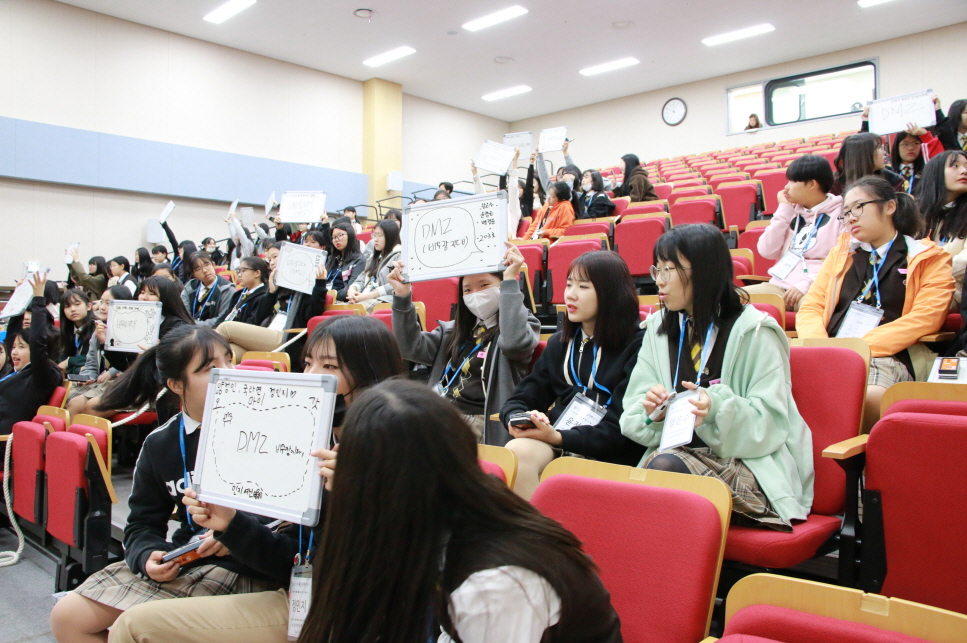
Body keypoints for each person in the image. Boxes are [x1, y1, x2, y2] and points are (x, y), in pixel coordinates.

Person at [101, 316, 408, 643]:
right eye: (307, 363)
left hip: (348, 608)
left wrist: (356, 494)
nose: (312, 377)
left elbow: (379, 560)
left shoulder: (391, 446)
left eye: (329, 366)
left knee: (133, 627)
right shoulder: (311, 440)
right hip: (295, 585)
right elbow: (294, 552)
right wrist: (230, 525)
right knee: (74, 617)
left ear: (371, 374)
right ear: (176, 385)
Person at [49, 327, 277, 643]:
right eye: (211, 369)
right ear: (176, 385)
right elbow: (141, 525)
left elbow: (289, 521)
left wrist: (235, 531)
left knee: (140, 628)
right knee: (68, 616)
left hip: (249, 564)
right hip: (187, 558)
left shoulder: (272, 429)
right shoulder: (161, 443)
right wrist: (147, 556)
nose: (229, 374)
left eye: (230, 361)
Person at [620, 224, 814, 531]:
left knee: (662, 473)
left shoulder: (755, 331)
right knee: (647, 477)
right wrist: (654, 412)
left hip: (748, 466)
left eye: (670, 269)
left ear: (705, 271)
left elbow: (773, 421)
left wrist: (717, 409)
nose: (660, 280)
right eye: (658, 269)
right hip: (676, 458)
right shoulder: (659, 328)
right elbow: (632, 416)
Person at [797, 177, 954, 431]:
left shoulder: (927, 257)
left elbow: (927, 317)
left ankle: (852, 466)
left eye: (858, 207)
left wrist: (856, 349)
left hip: (886, 355)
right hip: (830, 353)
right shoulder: (842, 253)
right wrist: (824, 349)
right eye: (845, 212)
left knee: (865, 398)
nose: (850, 218)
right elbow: (812, 307)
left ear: (889, 207)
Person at [500, 251, 646, 500]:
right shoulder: (560, 343)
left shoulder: (639, 345)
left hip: (613, 451)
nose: (570, 294)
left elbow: (622, 429)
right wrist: (521, 419)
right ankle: (537, 536)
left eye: (583, 286)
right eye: (568, 284)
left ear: (611, 292)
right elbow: (520, 399)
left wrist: (558, 436)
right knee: (516, 452)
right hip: (563, 440)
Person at [389, 243, 540, 444]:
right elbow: (409, 347)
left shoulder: (520, 326)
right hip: (441, 410)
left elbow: (513, 344)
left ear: (502, 286)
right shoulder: (453, 330)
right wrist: (402, 297)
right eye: (467, 289)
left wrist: (511, 280)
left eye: (484, 285)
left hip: (480, 418)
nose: (475, 294)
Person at [78, 277, 195, 420]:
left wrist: (155, 354)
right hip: (134, 383)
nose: (144, 298)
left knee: (92, 408)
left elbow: (178, 369)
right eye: (142, 292)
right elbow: (124, 365)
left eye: (151, 294)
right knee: (78, 404)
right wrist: (105, 343)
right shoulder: (137, 322)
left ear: (166, 297)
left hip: (157, 389)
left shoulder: (178, 327)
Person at [744, 155, 845, 311]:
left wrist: (806, 284)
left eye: (792, 181)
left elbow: (840, 260)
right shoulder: (790, 212)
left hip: (815, 286)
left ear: (812, 184)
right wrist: (783, 211)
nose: (786, 187)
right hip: (778, 286)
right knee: (732, 298)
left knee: (812, 308)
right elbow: (767, 251)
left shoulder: (841, 214)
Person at [0, 274, 62, 435]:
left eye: (21, 347)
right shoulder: (15, 373)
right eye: (14, 347)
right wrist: (18, 297)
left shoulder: (41, 376)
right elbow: (12, 333)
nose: (14, 352)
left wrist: (38, 299)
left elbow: (37, 343)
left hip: (5, 441)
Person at [64, 285, 136, 414]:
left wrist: (113, 372)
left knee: (78, 405)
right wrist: (87, 377)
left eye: (108, 303)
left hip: (124, 384)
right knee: (64, 397)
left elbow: (132, 362)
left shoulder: (132, 332)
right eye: (101, 302)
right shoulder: (99, 330)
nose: (102, 307)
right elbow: (91, 364)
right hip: (100, 383)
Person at [916, 151, 967, 308]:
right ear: (936, 173)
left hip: (953, 291)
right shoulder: (916, 214)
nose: (964, 171)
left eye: (966, 166)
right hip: (916, 288)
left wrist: (927, 276)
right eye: (955, 165)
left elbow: (964, 262)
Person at [347, 219, 402, 312]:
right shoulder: (374, 257)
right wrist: (352, 289)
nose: (375, 239)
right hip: (366, 298)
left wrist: (369, 296)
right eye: (374, 235)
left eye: (380, 235)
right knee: (340, 311)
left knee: (353, 313)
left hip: (385, 300)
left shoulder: (399, 256)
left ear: (391, 236)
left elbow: (396, 285)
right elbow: (362, 278)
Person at [832, 132, 906, 195]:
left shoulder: (894, 181)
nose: (884, 153)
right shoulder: (834, 184)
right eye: (879, 148)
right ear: (864, 155)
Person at [216, 256, 272, 332]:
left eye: (243, 271)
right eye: (238, 271)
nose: (239, 275)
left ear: (257, 273)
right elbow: (226, 315)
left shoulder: (264, 296)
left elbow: (252, 324)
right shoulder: (238, 294)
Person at [181, 252, 234, 328]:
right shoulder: (190, 287)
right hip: (189, 331)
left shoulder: (226, 289)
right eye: (198, 269)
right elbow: (183, 314)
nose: (205, 270)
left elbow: (223, 319)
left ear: (213, 265)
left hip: (214, 333)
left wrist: (195, 325)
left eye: (207, 265)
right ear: (194, 274)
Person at [58, 288, 95, 376]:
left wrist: (69, 361)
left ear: (88, 306)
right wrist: (75, 368)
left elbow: (93, 359)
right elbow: (61, 364)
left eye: (77, 304)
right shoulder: (67, 331)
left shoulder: (97, 328)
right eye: (67, 306)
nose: (73, 309)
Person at [326, 221, 366, 302]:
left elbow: (350, 289)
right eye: (334, 237)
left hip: (341, 301)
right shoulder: (332, 259)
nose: (336, 240)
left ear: (350, 236)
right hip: (325, 298)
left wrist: (328, 296)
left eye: (340, 235)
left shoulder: (359, 260)